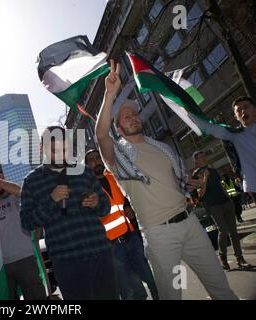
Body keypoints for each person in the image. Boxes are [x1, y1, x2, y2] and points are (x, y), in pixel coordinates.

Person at [95, 59, 237, 300]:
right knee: (172, 296)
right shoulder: (118, 157)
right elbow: (100, 135)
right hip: (160, 236)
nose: (133, 118)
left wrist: (189, 185)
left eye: (134, 114)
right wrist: (109, 95)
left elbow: (175, 182)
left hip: (190, 224)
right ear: (118, 129)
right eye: (126, 117)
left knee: (221, 288)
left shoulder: (162, 147)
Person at [20, 126, 118, 300]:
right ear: (42, 149)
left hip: (100, 254)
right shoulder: (31, 181)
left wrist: (97, 202)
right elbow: (26, 223)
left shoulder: (84, 171)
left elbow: (105, 208)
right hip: (67, 263)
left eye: (63, 149)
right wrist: (51, 200)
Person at [85, 149, 159, 300]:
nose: (96, 161)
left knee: (151, 278)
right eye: (91, 160)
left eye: (98, 157)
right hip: (111, 247)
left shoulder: (114, 177)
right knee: (128, 291)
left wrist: (129, 207)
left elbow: (126, 199)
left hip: (131, 237)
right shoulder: (86, 188)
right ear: (87, 166)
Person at [0, 169, 46, 300]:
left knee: (35, 297)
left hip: (25, 257)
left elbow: (22, 192)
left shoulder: (14, 196)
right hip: (2, 264)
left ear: (2, 178)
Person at [191, 152, 250, 270]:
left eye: (204, 156)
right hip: (214, 207)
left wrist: (229, 197)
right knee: (223, 231)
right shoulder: (196, 175)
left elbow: (221, 185)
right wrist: (205, 179)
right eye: (201, 157)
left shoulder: (213, 171)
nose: (204, 158)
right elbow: (200, 195)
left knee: (233, 232)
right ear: (196, 161)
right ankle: (222, 257)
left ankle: (240, 259)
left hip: (226, 203)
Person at [190, 96, 255, 199]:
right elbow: (207, 127)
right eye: (239, 110)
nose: (243, 111)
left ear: (254, 109)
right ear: (236, 116)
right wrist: (186, 110)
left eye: (246, 107)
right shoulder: (234, 135)